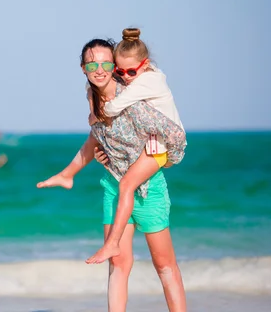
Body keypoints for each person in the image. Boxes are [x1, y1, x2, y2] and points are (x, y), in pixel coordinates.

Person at [37, 36, 187, 312]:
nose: (99, 69)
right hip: (113, 186)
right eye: (91, 64)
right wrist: (81, 164)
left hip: (148, 187)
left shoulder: (131, 100)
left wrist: (165, 160)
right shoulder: (91, 93)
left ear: (115, 66)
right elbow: (98, 135)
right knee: (118, 265)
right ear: (82, 68)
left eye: (106, 62)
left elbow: (172, 136)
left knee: (164, 266)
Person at [85, 28, 185, 265]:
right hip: (155, 145)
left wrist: (93, 116)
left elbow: (111, 108)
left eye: (131, 71)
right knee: (127, 183)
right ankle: (112, 244)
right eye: (120, 71)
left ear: (145, 65)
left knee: (128, 183)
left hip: (164, 147)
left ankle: (112, 243)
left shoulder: (146, 82)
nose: (126, 77)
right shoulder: (148, 74)